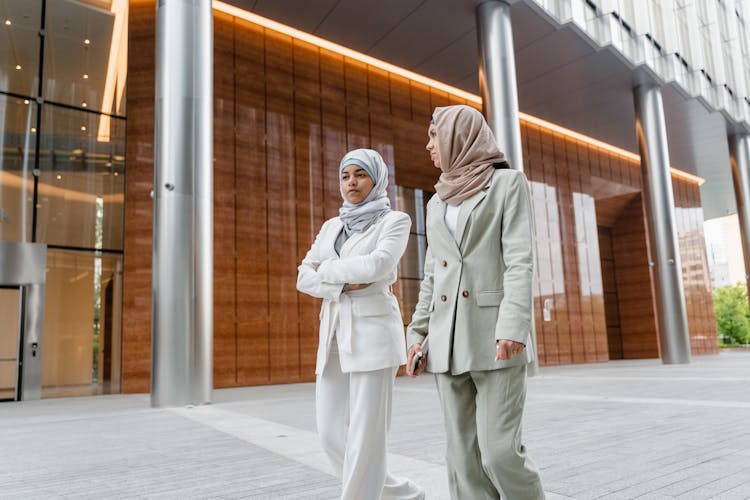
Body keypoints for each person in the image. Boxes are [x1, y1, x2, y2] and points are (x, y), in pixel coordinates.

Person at [405, 105, 545, 500]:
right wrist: (416, 334)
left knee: (500, 453)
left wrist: (514, 326)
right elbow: (433, 274)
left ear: (458, 136)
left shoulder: (507, 184)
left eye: (434, 135)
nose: (428, 144)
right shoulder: (436, 201)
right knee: (463, 459)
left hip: (496, 337)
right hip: (446, 341)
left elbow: (520, 261)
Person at [297, 149, 425, 500]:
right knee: (329, 434)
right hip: (335, 332)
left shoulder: (395, 221)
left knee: (367, 436)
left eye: (360, 174)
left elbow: (379, 266)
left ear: (377, 179)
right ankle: (402, 495)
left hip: (373, 333)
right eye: (345, 176)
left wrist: (326, 273)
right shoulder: (330, 227)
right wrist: (341, 281)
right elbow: (302, 276)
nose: (351, 182)